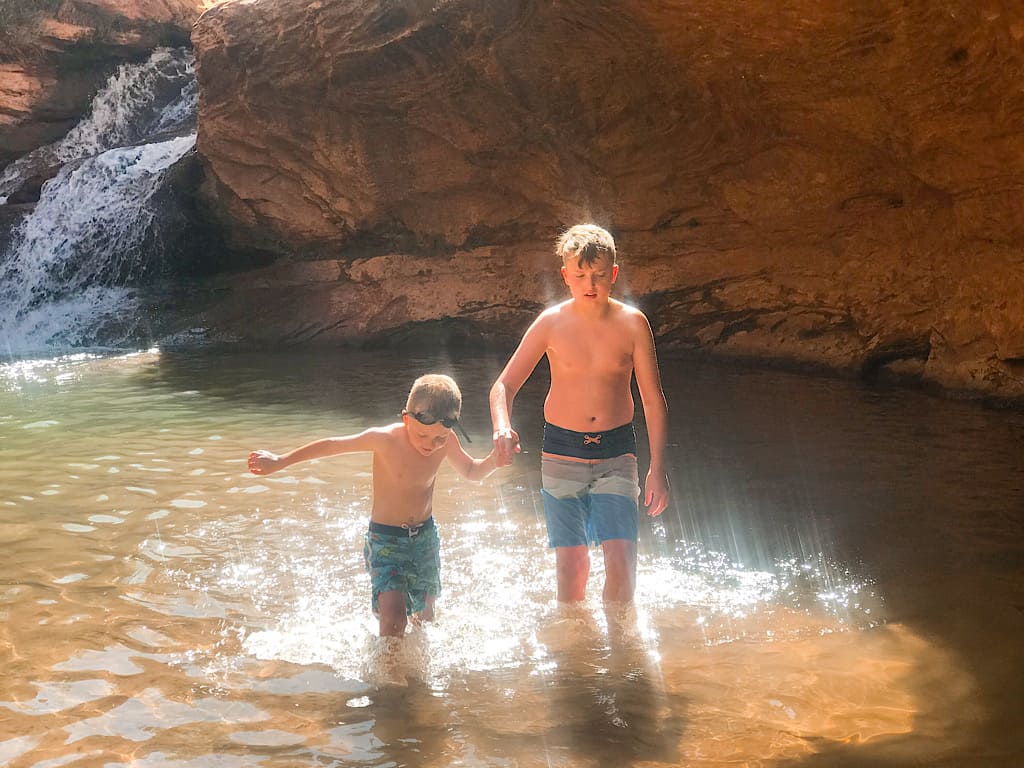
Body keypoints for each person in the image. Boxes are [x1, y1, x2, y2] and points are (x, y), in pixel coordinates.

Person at [490, 223, 670, 604]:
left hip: (617, 453)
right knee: (572, 567)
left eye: (600, 276)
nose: (591, 284)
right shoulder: (551, 323)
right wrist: (502, 427)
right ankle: (575, 658)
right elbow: (503, 385)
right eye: (581, 275)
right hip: (561, 451)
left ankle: (623, 656)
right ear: (566, 276)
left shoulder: (633, 324)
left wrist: (658, 468)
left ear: (614, 275)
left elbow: (653, 399)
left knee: (621, 561)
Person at [248, 374, 504, 637]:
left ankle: (417, 674)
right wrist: (280, 461)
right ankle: (387, 674)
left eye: (439, 437)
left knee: (424, 619)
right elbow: (331, 446)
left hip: (425, 539)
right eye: (422, 435)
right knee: (394, 619)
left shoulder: (447, 442)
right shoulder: (385, 440)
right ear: (407, 419)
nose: (430, 444)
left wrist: (494, 460)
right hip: (386, 540)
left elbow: (471, 470)